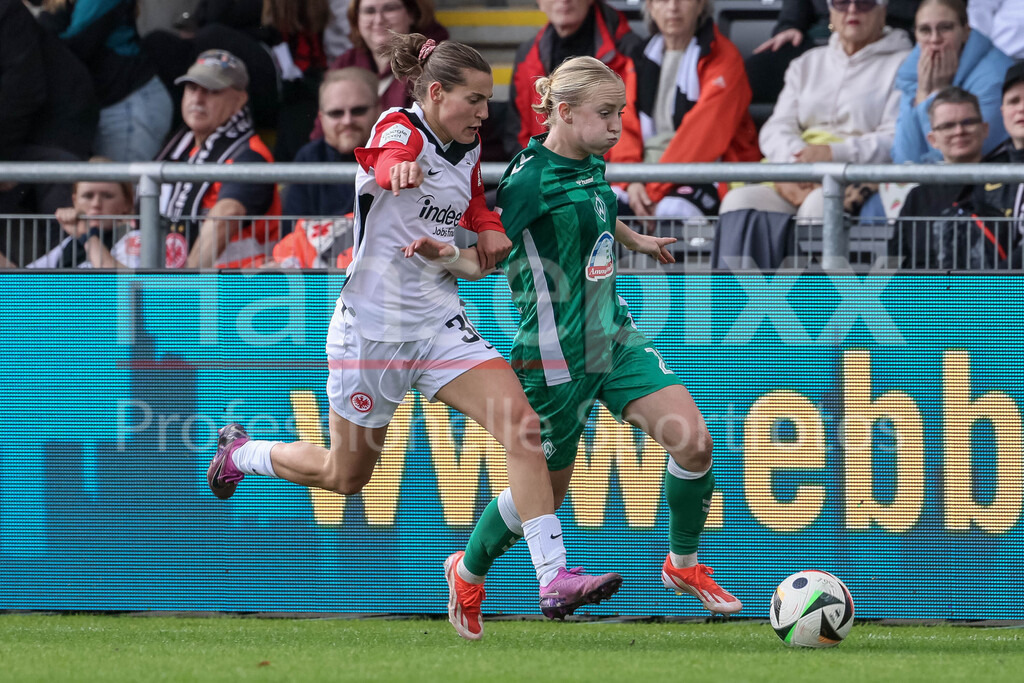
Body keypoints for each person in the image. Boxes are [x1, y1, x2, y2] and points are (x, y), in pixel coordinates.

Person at [207, 34, 621, 638]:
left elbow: (471, 200)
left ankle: (552, 579)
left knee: (523, 428)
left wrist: (488, 226)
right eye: (474, 100)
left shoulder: (468, 143)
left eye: (486, 102)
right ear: (435, 92)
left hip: (437, 321)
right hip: (372, 333)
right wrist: (393, 168)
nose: (485, 113)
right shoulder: (400, 128)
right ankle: (242, 454)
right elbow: (380, 158)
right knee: (348, 477)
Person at [444, 56, 742, 642]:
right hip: (554, 354)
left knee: (695, 443)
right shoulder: (528, 180)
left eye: (621, 114)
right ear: (563, 112)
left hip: (615, 335)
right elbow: (492, 252)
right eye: (606, 115)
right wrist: (439, 259)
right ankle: (469, 570)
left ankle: (682, 566)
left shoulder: (589, 158)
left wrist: (635, 237)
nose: (615, 127)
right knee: (543, 495)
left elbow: (596, 204)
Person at [719, 0, 912, 220]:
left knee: (819, 204)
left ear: (883, 10)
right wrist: (798, 161)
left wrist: (832, 154)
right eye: (841, 3)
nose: (852, 10)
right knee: (739, 203)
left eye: (864, 3)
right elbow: (777, 126)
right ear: (830, 12)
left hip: (855, 176)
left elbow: (893, 139)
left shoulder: (904, 64)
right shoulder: (807, 63)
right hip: (798, 171)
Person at [608, 0, 760, 219]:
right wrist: (630, 180)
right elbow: (623, 123)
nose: (673, 7)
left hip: (709, 170)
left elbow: (703, 136)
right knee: (598, 208)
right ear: (650, 6)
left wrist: (652, 191)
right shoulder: (639, 57)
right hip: (644, 173)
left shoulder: (724, 58)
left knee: (672, 212)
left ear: (701, 6)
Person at [156, 49, 281, 268]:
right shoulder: (177, 149)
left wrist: (183, 287)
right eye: (192, 88)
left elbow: (226, 216)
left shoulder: (251, 155)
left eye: (212, 90)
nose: (198, 98)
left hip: (238, 291)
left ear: (240, 99)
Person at [888, 86, 1019, 269]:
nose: (959, 131)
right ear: (933, 140)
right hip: (924, 294)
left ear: (985, 129)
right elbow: (896, 260)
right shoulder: (918, 197)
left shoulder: (1009, 184)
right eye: (947, 125)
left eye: (968, 122)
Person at [38, 0, 173, 162]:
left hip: (127, 104)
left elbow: (77, 45)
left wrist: (42, 29)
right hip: (105, 107)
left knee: (126, 185)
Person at [505, 0, 640, 158]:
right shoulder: (526, 55)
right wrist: (536, 168)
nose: (564, 1)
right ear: (539, 3)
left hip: (610, 174)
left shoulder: (629, 50)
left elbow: (636, 129)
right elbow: (516, 130)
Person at [892, 0, 1013, 163]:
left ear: (965, 31)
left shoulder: (995, 76)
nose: (935, 39)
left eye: (945, 28)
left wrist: (938, 94)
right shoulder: (913, 71)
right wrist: (923, 92)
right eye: (925, 30)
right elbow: (904, 158)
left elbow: (956, 157)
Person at [746, 0, 920, 108]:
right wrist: (790, 25)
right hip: (823, 36)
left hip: (893, 37)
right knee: (753, 74)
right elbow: (795, 12)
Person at [284, 67, 381, 222]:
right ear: (321, 118)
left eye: (358, 111)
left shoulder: (397, 154)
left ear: (378, 110)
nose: (347, 121)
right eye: (336, 113)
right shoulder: (308, 158)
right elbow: (292, 235)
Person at [326, 0, 448, 111]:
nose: (379, 20)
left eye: (390, 8)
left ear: (412, 14)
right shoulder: (344, 65)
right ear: (356, 18)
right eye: (369, 11)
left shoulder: (435, 64)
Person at [27, 159, 136, 269]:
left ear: (127, 203)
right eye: (88, 196)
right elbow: (23, 280)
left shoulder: (134, 238)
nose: (96, 204)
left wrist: (87, 237)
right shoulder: (70, 242)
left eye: (107, 196)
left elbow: (129, 284)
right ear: (75, 201)